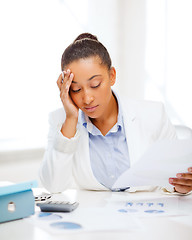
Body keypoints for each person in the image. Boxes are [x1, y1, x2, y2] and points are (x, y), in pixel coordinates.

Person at [39, 33, 192, 194]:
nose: (87, 98)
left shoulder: (154, 114)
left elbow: (171, 180)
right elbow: (53, 186)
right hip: (92, 218)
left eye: (95, 84)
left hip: (146, 216)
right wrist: (71, 118)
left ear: (112, 76)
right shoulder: (60, 121)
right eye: (76, 89)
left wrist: (180, 186)